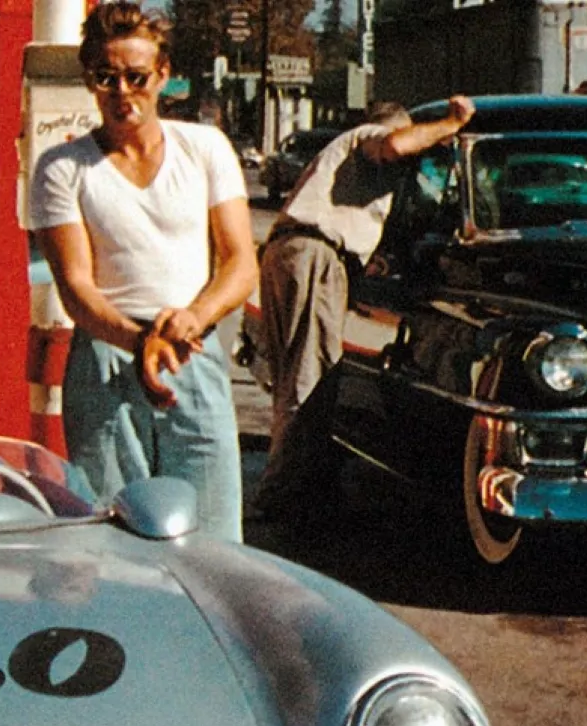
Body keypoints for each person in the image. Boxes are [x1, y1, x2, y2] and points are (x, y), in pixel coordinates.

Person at [27, 1, 258, 542]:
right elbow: (77, 288)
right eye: (107, 77)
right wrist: (139, 343)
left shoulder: (205, 148)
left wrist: (192, 319)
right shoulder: (62, 168)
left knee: (212, 537)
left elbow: (240, 261)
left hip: (191, 350)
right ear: (90, 79)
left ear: (163, 75)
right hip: (106, 359)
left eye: (136, 77)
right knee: (112, 532)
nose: (123, 92)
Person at [251, 96, 477, 521]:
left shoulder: (348, 167)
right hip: (316, 255)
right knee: (311, 380)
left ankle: (297, 484)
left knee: (295, 377)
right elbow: (395, 145)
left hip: (291, 251)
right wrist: (452, 122)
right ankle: (282, 497)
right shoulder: (368, 138)